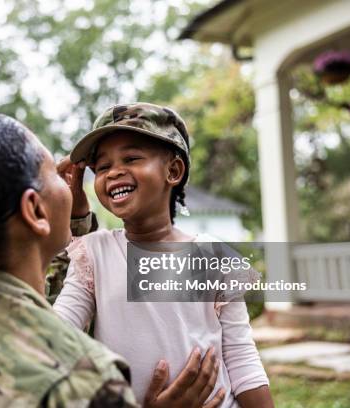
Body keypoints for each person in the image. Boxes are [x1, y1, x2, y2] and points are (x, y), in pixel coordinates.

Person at [0, 112, 224, 407]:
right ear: (34, 209)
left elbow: (45, 296)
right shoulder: (81, 378)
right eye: (51, 172)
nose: (71, 178)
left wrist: (73, 220)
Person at [53, 103, 274, 407]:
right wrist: (61, 204)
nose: (114, 171)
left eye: (131, 158)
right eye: (102, 167)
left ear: (173, 170)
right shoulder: (94, 254)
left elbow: (241, 359)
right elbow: (54, 336)